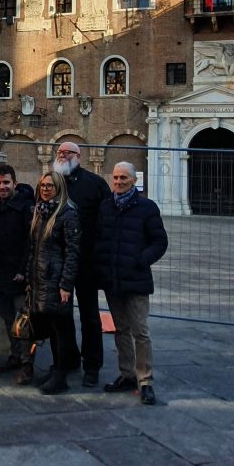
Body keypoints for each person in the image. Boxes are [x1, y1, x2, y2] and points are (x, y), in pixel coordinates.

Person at [96, 162, 168, 406]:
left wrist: (142, 260)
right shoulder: (106, 206)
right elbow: (99, 238)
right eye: (116, 177)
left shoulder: (147, 207)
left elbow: (160, 242)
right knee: (121, 329)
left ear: (134, 181)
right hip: (113, 279)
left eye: (124, 178)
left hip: (136, 279)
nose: (118, 182)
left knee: (140, 331)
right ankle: (127, 374)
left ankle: (144, 379)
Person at [52, 141, 112, 387]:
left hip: (87, 261)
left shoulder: (95, 184)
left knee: (90, 316)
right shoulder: (52, 182)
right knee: (61, 315)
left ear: (79, 156)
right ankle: (67, 360)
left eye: (68, 152)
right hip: (59, 261)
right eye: (59, 152)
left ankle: (92, 365)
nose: (62, 155)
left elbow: (106, 222)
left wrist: (100, 254)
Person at [23, 171, 81, 395]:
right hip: (40, 279)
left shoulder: (67, 213)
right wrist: (29, 278)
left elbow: (73, 252)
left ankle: (61, 375)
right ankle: (56, 368)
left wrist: (66, 284)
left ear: (59, 188)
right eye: (43, 185)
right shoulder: (40, 211)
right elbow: (33, 249)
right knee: (52, 327)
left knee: (61, 329)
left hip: (56, 281)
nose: (46, 189)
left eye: (50, 186)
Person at [0, 164, 34, 378]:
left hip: (18, 273)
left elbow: (30, 242)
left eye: (6, 182)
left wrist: (23, 270)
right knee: (7, 317)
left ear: (15, 183)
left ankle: (27, 362)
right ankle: (15, 355)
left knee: (23, 320)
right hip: (0, 272)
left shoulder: (25, 206)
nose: (2, 187)